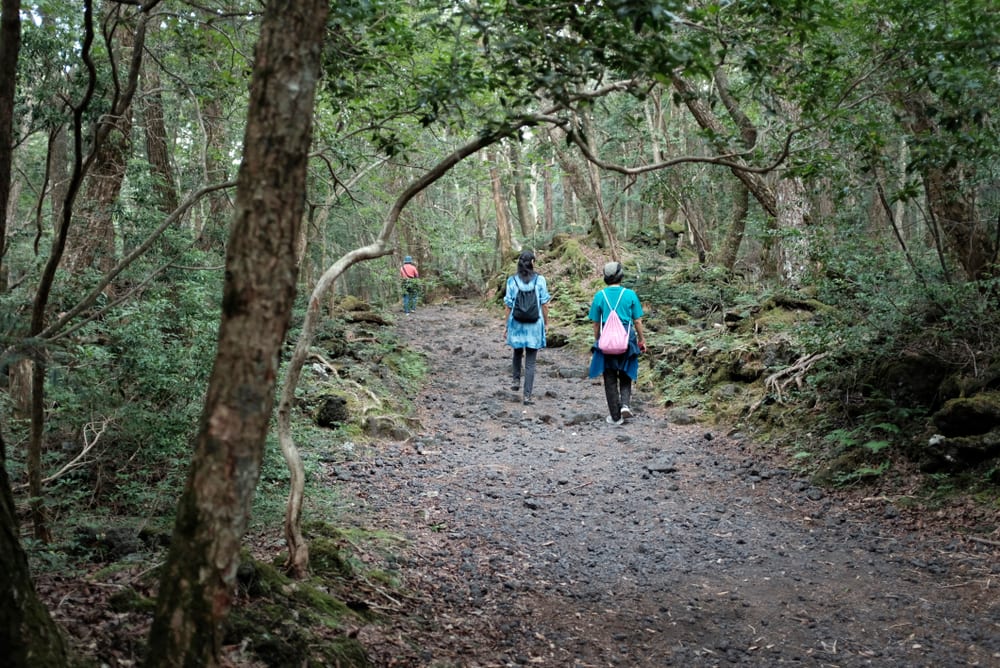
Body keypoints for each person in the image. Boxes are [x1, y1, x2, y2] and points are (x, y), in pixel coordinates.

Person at [588, 261, 647, 425]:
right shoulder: (630, 295)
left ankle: (615, 416)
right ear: (621, 276)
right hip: (627, 340)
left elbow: (595, 322)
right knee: (626, 372)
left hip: (607, 342)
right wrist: (642, 340)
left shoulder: (600, 296)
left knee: (610, 376)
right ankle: (625, 405)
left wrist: (597, 340)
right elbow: (638, 321)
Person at [504, 250, 551, 406]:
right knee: (531, 361)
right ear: (532, 263)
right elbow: (544, 304)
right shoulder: (540, 280)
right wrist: (546, 323)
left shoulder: (512, 281)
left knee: (517, 351)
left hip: (517, 323)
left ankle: (516, 379)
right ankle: (527, 396)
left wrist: (506, 325)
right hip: (534, 324)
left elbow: (508, 305)